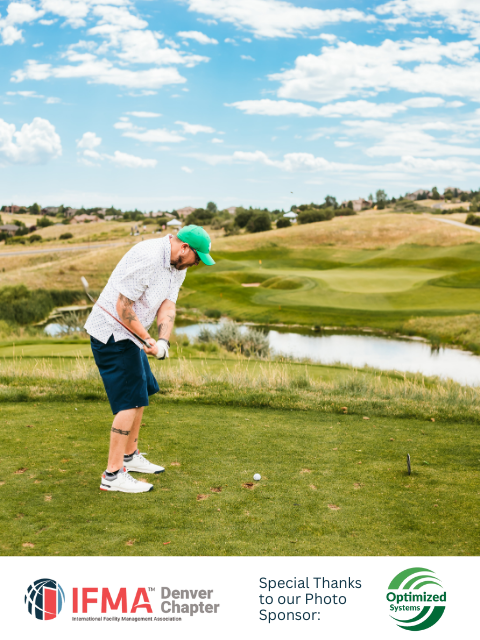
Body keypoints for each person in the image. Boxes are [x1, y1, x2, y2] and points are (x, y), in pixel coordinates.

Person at [84, 225, 215, 494]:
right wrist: (147, 340)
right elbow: (123, 307)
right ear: (184, 248)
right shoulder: (149, 256)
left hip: (131, 336)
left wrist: (163, 340)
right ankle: (112, 474)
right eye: (198, 257)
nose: (198, 263)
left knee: (142, 390)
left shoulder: (178, 266)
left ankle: (129, 457)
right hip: (112, 335)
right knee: (129, 402)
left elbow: (168, 304)